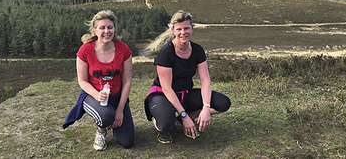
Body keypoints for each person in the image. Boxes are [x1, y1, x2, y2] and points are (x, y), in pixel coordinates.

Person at [145, 10, 231, 144]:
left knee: (223, 103)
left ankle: (182, 118)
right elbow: (166, 88)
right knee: (167, 123)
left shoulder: (197, 50)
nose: (183, 32)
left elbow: (205, 80)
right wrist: (184, 115)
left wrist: (206, 108)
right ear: (173, 30)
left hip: (185, 93)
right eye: (179, 29)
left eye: (186, 28)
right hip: (162, 95)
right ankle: (163, 121)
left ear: (192, 28)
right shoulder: (166, 52)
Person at [63, 10, 135, 151]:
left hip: (117, 97)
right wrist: (97, 95)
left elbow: (127, 81)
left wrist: (120, 110)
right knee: (106, 115)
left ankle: (112, 119)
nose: (106, 31)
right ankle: (101, 130)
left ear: (114, 29)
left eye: (110, 27)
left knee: (127, 142)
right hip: (92, 96)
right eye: (102, 27)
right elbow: (82, 81)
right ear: (95, 30)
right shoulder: (85, 51)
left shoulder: (123, 49)